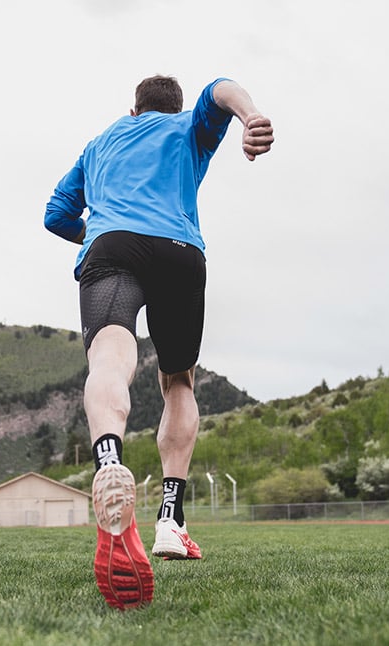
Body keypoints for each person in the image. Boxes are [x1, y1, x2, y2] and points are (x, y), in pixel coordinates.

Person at [44, 75, 274, 610]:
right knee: (177, 380)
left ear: (133, 109)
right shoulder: (186, 128)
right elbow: (220, 88)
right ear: (172, 108)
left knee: (110, 355)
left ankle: (108, 463)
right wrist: (251, 118)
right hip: (179, 251)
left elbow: (55, 215)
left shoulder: (101, 143)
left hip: (111, 247)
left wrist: (101, 227)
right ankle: (170, 519)